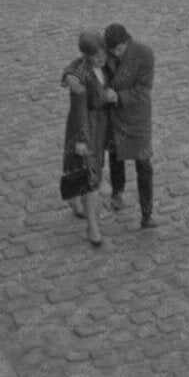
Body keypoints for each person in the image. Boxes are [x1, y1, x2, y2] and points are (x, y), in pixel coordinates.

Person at [103, 22, 155, 228]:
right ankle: (117, 191)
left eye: (119, 48)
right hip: (114, 116)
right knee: (115, 155)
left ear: (127, 41)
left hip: (136, 117)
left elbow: (143, 90)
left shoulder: (144, 54)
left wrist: (117, 96)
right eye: (112, 49)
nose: (115, 53)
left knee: (143, 164)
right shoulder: (106, 54)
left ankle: (147, 213)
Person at [62, 31, 109, 248]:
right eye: (98, 56)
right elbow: (80, 110)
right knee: (91, 176)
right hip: (85, 128)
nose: (103, 59)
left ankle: (74, 197)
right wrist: (82, 140)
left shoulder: (102, 65)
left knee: (86, 170)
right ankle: (93, 227)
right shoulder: (80, 75)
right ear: (87, 56)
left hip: (100, 126)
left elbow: (69, 68)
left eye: (104, 54)